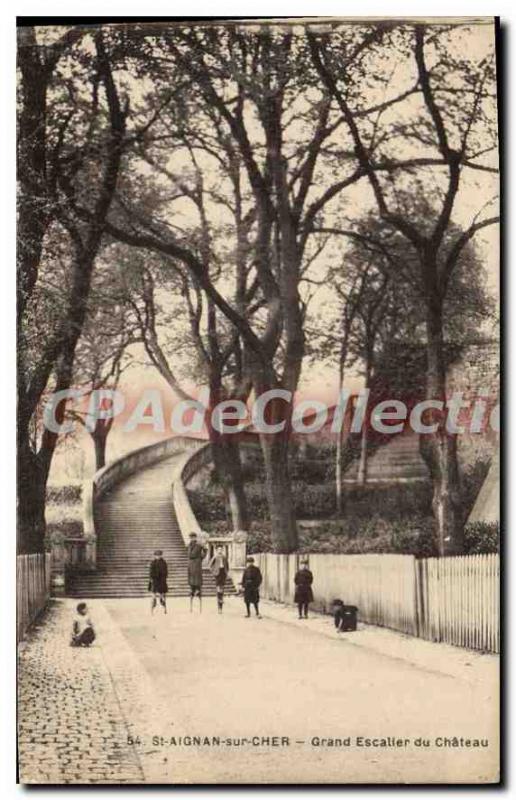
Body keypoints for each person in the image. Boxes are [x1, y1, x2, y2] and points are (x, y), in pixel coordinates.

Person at [187, 532, 207, 612]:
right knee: (191, 576)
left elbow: (206, 550)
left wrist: (201, 558)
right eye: (191, 537)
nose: (192, 539)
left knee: (197, 576)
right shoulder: (189, 545)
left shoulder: (199, 545)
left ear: (196, 538)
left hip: (197, 562)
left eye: (193, 537)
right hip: (191, 563)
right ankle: (192, 589)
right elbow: (189, 554)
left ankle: (197, 589)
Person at [209, 545, 229, 614]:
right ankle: (219, 607)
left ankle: (221, 601)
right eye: (219, 549)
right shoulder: (215, 557)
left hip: (223, 573)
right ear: (216, 550)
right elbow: (210, 565)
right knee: (218, 590)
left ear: (222, 550)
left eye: (221, 549)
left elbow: (227, 565)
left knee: (222, 589)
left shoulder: (224, 557)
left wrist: (226, 572)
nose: (220, 551)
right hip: (217, 574)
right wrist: (213, 572)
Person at [148, 549, 168, 614]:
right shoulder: (153, 563)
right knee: (153, 594)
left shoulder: (164, 562)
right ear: (155, 556)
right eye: (157, 555)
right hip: (155, 580)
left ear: (161, 556)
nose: (158, 557)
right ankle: (154, 603)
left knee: (162, 594)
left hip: (161, 581)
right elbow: (151, 572)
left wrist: (163, 578)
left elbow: (166, 572)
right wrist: (152, 578)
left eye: (159, 555)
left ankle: (163, 605)